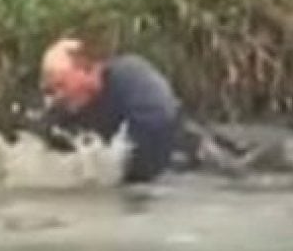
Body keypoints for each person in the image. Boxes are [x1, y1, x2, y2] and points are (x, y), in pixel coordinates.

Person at [32, 38, 195, 184]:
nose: (58, 96)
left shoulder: (130, 76)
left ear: (87, 70)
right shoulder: (62, 114)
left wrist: (121, 172)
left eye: (62, 85)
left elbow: (161, 118)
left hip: (190, 169)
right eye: (51, 90)